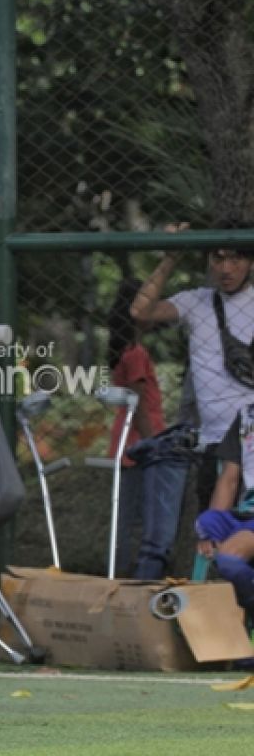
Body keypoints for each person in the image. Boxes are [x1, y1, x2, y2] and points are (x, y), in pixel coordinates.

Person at [131, 225, 254, 513]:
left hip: (251, 442)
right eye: (218, 258)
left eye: (236, 259)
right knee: (213, 534)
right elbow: (140, 313)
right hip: (214, 442)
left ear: (251, 262)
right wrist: (170, 258)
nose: (226, 268)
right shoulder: (196, 302)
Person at [105, 278, 187, 580]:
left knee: (125, 517)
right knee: (140, 520)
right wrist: (155, 445)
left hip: (125, 442)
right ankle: (134, 578)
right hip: (141, 444)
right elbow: (139, 404)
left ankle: (122, 573)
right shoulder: (136, 352)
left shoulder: (122, 350)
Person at [196, 407, 254, 621]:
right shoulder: (247, 416)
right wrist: (214, 534)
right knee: (207, 521)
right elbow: (229, 479)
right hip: (245, 514)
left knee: (229, 559)